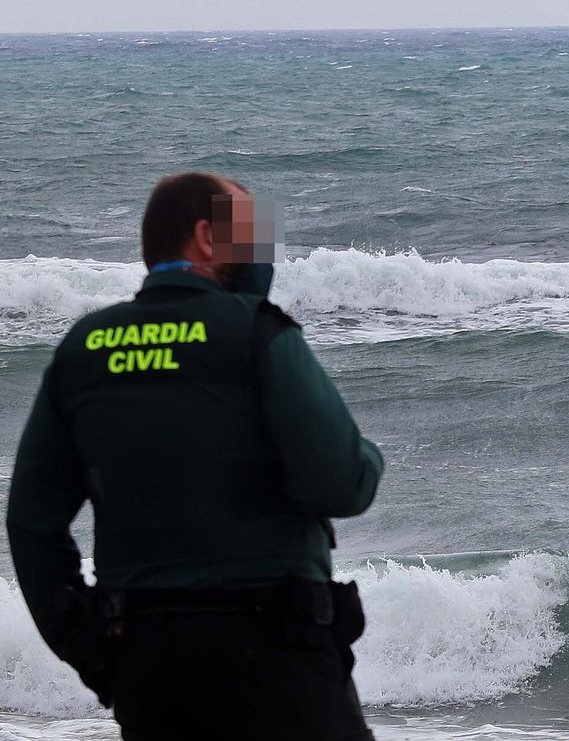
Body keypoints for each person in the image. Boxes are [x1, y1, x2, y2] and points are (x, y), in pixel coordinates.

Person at [6, 173, 384, 740]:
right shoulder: (258, 333)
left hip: (145, 663)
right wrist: (368, 456)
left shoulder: (84, 348)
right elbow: (342, 484)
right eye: (251, 231)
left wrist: (90, 647)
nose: (263, 249)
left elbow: (31, 522)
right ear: (207, 238)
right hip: (276, 653)